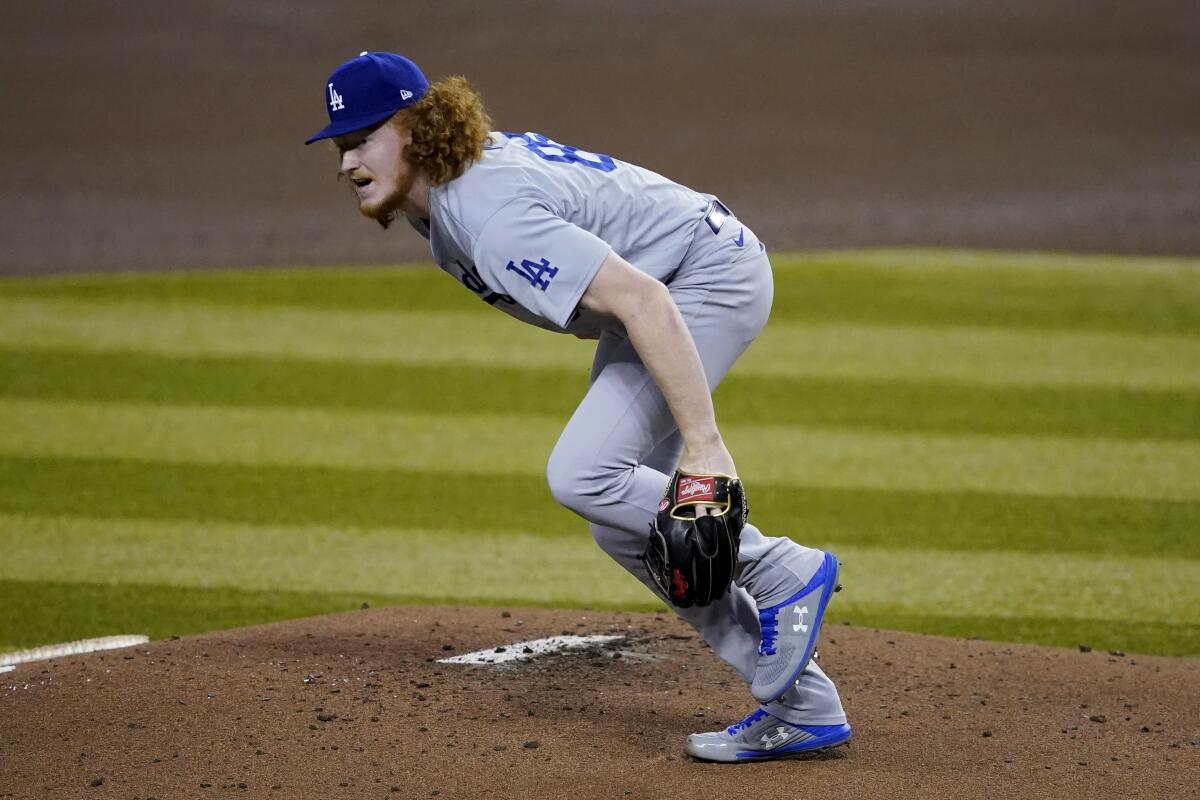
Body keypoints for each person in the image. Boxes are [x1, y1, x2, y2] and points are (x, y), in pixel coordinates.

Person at [306, 51, 850, 762]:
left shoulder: (489, 214)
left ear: (413, 129)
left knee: (584, 474)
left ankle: (780, 569)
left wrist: (705, 446)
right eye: (341, 146)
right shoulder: (444, 198)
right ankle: (802, 705)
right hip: (672, 286)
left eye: (359, 141)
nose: (346, 163)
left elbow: (643, 298)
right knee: (619, 522)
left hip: (700, 283)